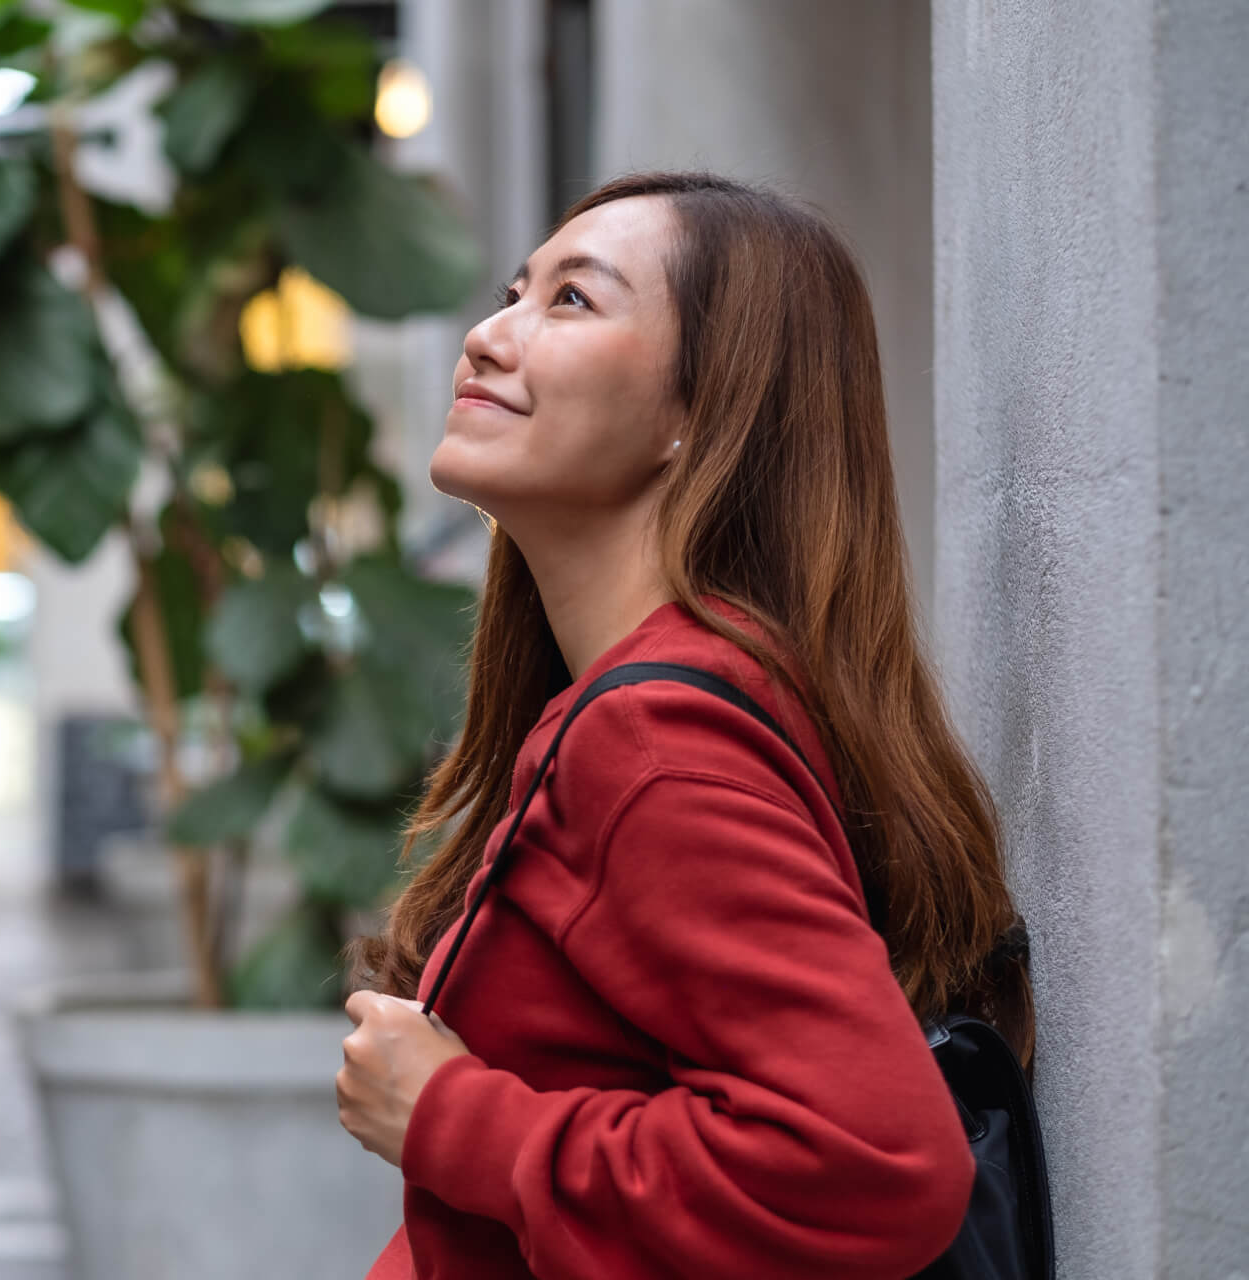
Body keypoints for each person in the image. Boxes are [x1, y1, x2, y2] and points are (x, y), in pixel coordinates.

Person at [335, 172, 1033, 1280]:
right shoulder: (675, 698)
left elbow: (873, 1160)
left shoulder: (655, 741)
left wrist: (451, 1116)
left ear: (698, 414)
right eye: (515, 291)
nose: (485, 334)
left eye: (570, 302)